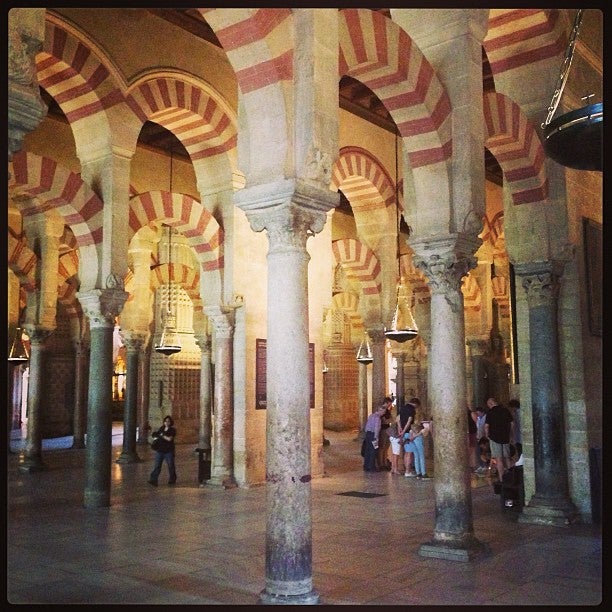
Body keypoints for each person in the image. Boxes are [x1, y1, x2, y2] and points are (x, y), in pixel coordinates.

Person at [484, 397, 514, 480]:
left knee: (499, 459)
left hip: (494, 438)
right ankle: (511, 477)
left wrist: (487, 435)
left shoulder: (490, 412)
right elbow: (512, 424)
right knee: (507, 457)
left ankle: (502, 479)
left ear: (491, 404)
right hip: (505, 437)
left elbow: (486, 426)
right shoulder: (505, 410)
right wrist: (511, 434)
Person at [148, 415, 177, 486]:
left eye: (168, 421)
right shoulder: (162, 428)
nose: (167, 423)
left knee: (170, 466)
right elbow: (157, 435)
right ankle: (153, 480)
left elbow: (169, 439)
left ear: (171, 422)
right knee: (157, 466)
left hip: (168, 451)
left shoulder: (172, 430)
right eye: (165, 421)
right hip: (160, 450)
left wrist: (162, 435)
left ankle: (172, 479)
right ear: (164, 422)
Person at [397, 397, 420, 477]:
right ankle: (407, 471)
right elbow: (409, 421)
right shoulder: (412, 409)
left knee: (407, 452)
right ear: (416, 404)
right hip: (407, 433)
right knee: (409, 453)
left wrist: (400, 429)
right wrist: (404, 431)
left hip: (402, 432)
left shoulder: (402, 408)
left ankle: (407, 470)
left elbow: (398, 419)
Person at [363, 403, 388, 472]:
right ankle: (371, 467)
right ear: (380, 410)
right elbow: (377, 428)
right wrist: (376, 438)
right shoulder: (378, 418)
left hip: (368, 434)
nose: (384, 413)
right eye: (384, 411)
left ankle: (366, 466)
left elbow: (367, 426)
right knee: (373, 451)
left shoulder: (371, 415)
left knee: (367, 450)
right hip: (374, 435)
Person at [377, 397, 394, 470]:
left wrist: (389, 420)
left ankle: (385, 462)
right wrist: (389, 420)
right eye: (389, 404)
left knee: (386, 446)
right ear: (386, 402)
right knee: (382, 447)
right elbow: (385, 421)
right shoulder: (381, 410)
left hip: (387, 429)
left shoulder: (387, 410)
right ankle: (381, 463)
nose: (390, 405)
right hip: (383, 430)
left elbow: (392, 420)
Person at [467, 408, 478, 472]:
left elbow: (476, 422)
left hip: (472, 433)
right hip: (466, 434)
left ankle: (472, 465)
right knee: (469, 450)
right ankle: (470, 465)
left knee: (472, 449)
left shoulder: (471, 413)